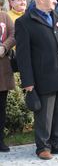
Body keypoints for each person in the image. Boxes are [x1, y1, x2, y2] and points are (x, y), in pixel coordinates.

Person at [15, 0, 58, 160]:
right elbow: (23, 56)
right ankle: (43, 147)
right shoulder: (25, 22)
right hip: (43, 77)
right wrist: (28, 82)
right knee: (44, 115)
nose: (56, 1)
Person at [0, 11, 16, 152]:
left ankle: (0, 140)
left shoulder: (4, 16)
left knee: (1, 108)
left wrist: (4, 47)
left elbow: (13, 34)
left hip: (2, 69)